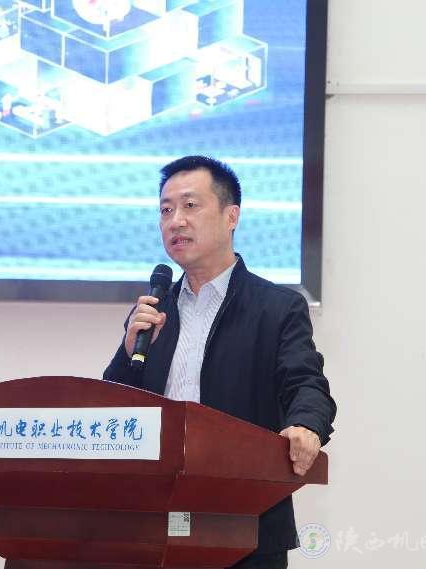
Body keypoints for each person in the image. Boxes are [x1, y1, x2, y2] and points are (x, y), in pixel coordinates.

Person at [103, 155, 336, 569]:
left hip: (246, 529)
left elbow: (305, 382)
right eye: (165, 210)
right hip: (151, 528)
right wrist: (126, 352)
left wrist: (306, 425)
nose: (175, 221)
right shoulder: (152, 312)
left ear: (232, 217)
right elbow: (114, 407)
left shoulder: (276, 308)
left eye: (190, 205)